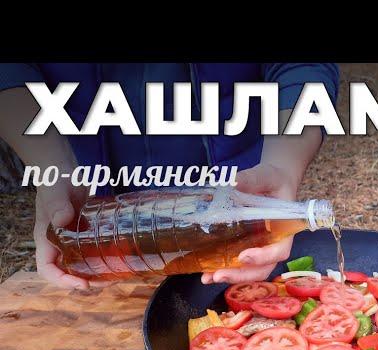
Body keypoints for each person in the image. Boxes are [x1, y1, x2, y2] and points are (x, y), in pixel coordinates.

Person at [0, 63, 339, 289]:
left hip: (236, 203)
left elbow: (302, 66)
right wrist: (52, 164)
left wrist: (282, 166)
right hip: (98, 217)